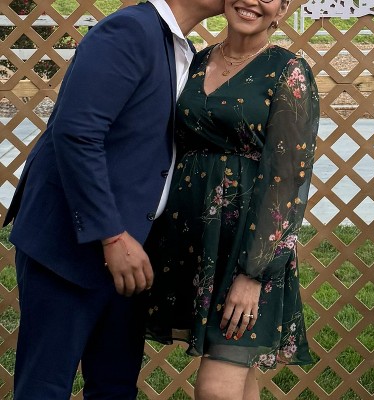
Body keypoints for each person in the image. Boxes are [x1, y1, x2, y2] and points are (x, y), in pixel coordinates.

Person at [2, 0, 224, 398]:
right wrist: (112, 235)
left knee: (115, 387)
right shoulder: (129, 31)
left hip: (133, 253)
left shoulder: (180, 48)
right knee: (44, 387)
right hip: (69, 244)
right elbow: (77, 133)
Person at [144, 0, 320, 398]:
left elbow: (288, 179)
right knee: (239, 381)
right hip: (196, 243)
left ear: (282, 9)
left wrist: (254, 273)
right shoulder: (196, 61)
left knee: (216, 389)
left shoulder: (288, 71)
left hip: (249, 247)